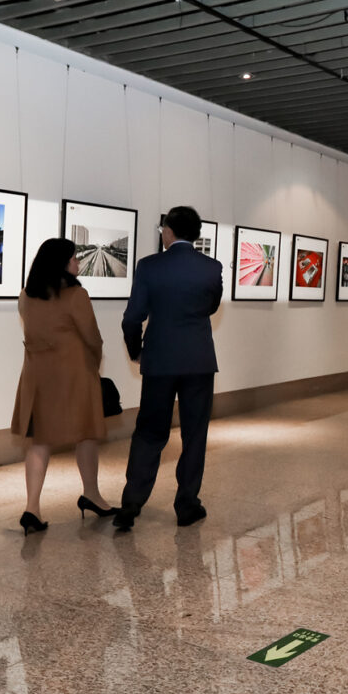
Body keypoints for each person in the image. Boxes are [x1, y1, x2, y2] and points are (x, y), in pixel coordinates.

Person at [116, 206, 222, 532]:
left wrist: (137, 351)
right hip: (199, 361)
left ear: (168, 232)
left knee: (150, 431)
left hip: (160, 360)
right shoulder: (211, 268)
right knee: (194, 434)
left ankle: (131, 505)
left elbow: (133, 317)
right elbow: (211, 306)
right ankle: (187, 504)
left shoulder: (149, 267)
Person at [11, 238, 117, 534]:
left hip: (37, 377)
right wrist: (93, 365)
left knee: (40, 441)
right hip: (73, 377)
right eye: (73, 258)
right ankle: (92, 495)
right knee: (86, 435)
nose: (78, 264)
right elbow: (93, 338)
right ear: (61, 262)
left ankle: (32, 507)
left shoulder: (25, 296)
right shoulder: (76, 295)